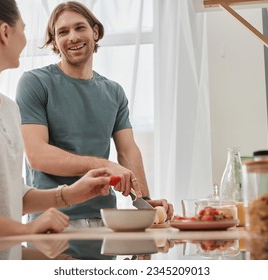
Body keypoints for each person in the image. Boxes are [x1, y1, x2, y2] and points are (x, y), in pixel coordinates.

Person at [0, 0, 114, 241]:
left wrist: (69, 194)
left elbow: (11, 198)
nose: (25, 38)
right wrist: (24, 231)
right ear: (5, 32)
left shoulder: (8, 108)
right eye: (23, 27)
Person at [16, 1, 173, 226]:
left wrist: (145, 201)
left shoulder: (114, 91)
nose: (72, 37)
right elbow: (37, 155)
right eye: (63, 32)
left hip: (105, 222)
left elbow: (128, 150)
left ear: (95, 31)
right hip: (51, 223)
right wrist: (105, 166)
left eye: (80, 27)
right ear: (54, 41)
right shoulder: (35, 83)